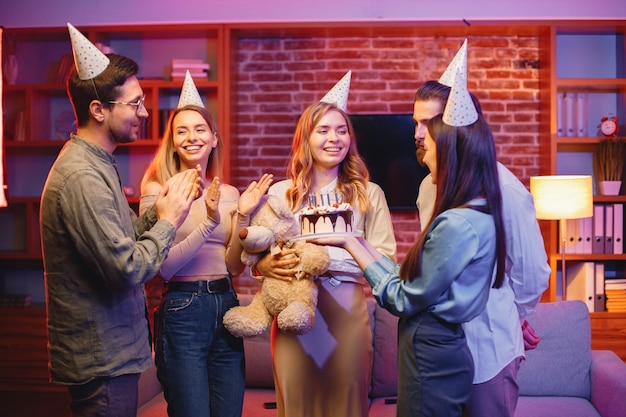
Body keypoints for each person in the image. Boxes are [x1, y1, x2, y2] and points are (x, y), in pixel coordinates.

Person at [312, 67, 507, 417]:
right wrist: (356, 239)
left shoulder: (457, 222)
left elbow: (403, 296)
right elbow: (415, 279)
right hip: (440, 347)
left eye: (428, 141)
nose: (420, 146)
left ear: (450, 149)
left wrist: (350, 245)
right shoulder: (474, 211)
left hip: (432, 348)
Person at [40, 24, 202, 417]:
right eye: (134, 104)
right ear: (99, 110)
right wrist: (169, 219)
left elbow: (123, 237)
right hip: (101, 359)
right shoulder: (81, 175)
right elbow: (127, 268)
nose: (144, 113)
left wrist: (157, 207)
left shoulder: (98, 163)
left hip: (112, 356)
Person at [413, 43, 549, 416]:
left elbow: (532, 271)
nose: (419, 134)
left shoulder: (504, 188)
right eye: (416, 122)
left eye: (429, 123)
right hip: (440, 350)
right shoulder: (428, 187)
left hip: (488, 349)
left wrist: (514, 315)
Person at [254, 72, 397, 417]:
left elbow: (388, 262)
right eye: (323, 130)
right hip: (294, 316)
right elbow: (255, 255)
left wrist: (346, 250)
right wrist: (263, 265)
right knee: (296, 403)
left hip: (347, 314)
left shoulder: (369, 193)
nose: (334, 139)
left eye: (342, 130)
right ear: (305, 138)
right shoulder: (279, 193)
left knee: (346, 405)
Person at [139, 72, 273, 417]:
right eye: (181, 131)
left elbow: (232, 266)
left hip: (226, 303)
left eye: (199, 129)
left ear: (214, 138)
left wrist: (241, 217)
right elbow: (163, 267)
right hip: (183, 308)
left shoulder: (228, 193)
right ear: (172, 142)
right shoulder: (158, 190)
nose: (191, 137)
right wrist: (209, 222)